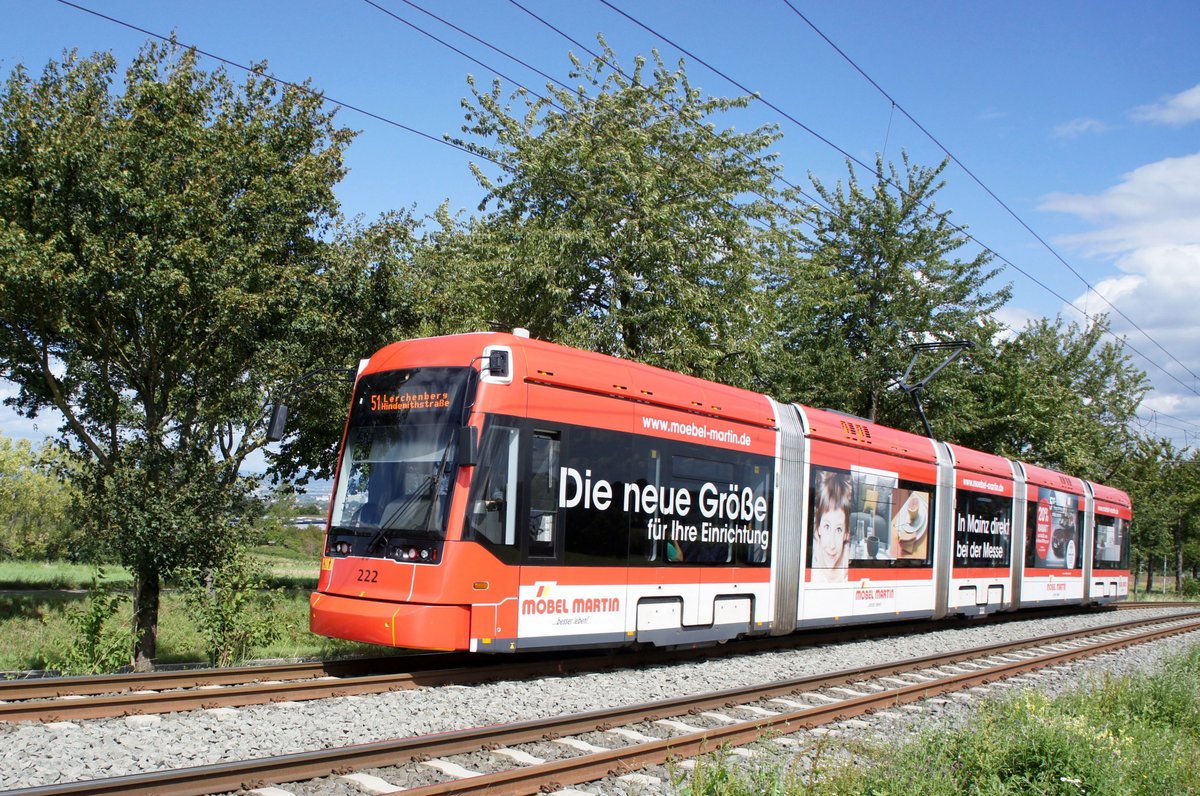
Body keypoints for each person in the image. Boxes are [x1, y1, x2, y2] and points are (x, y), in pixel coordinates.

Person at [811, 470, 852, 582]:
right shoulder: (812, 567)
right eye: (827, 527)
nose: (832, 545)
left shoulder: (848, 572)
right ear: (818, 527)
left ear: (846, 534)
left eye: (839, 529)